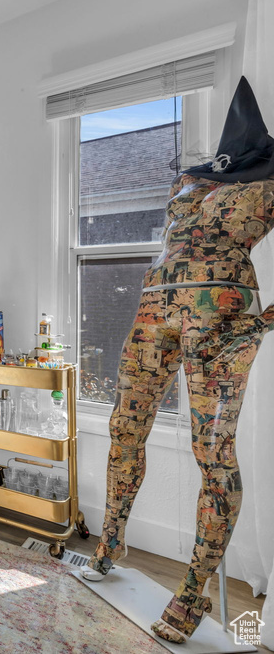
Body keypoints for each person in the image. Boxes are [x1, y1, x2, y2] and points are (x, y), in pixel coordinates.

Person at [80, 77, 274, 643]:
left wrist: (261, 322)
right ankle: (111, 538)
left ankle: (193, 593)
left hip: (221, 314)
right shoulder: (195, 179)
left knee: (211, 449)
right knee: (124, 426)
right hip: (153, 308)